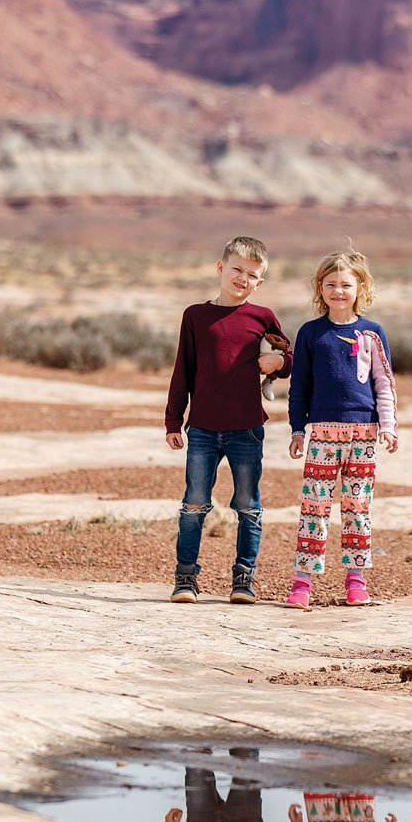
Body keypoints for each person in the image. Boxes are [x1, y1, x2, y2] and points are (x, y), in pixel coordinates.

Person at [165, 236, 291, 604]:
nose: (243, 278)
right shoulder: (196, 315)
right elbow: (182, 372)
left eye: (252, 275)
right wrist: (174, 421)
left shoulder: (262, 317)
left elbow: (289, 356)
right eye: (237, 269)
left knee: (248, 507)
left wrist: (280, 363)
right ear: (221, 268)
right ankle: (185, 579)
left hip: (247, 430)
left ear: (260, 282)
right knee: (194, 504)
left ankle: (243, 580)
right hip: (202, 428)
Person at [284, 250, 397, 609]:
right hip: (322, 435)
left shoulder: (372, 332)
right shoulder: (311, 333)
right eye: (330, 284)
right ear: (320, 288)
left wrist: (388, 426)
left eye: (346, 284)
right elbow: (299, 385)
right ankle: (302, 583)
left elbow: (384, 383)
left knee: (357, 507)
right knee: (314, 507)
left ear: (360, 287)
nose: (338, 291)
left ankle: (356, 580)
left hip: (364, 434)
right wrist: (297, 429)